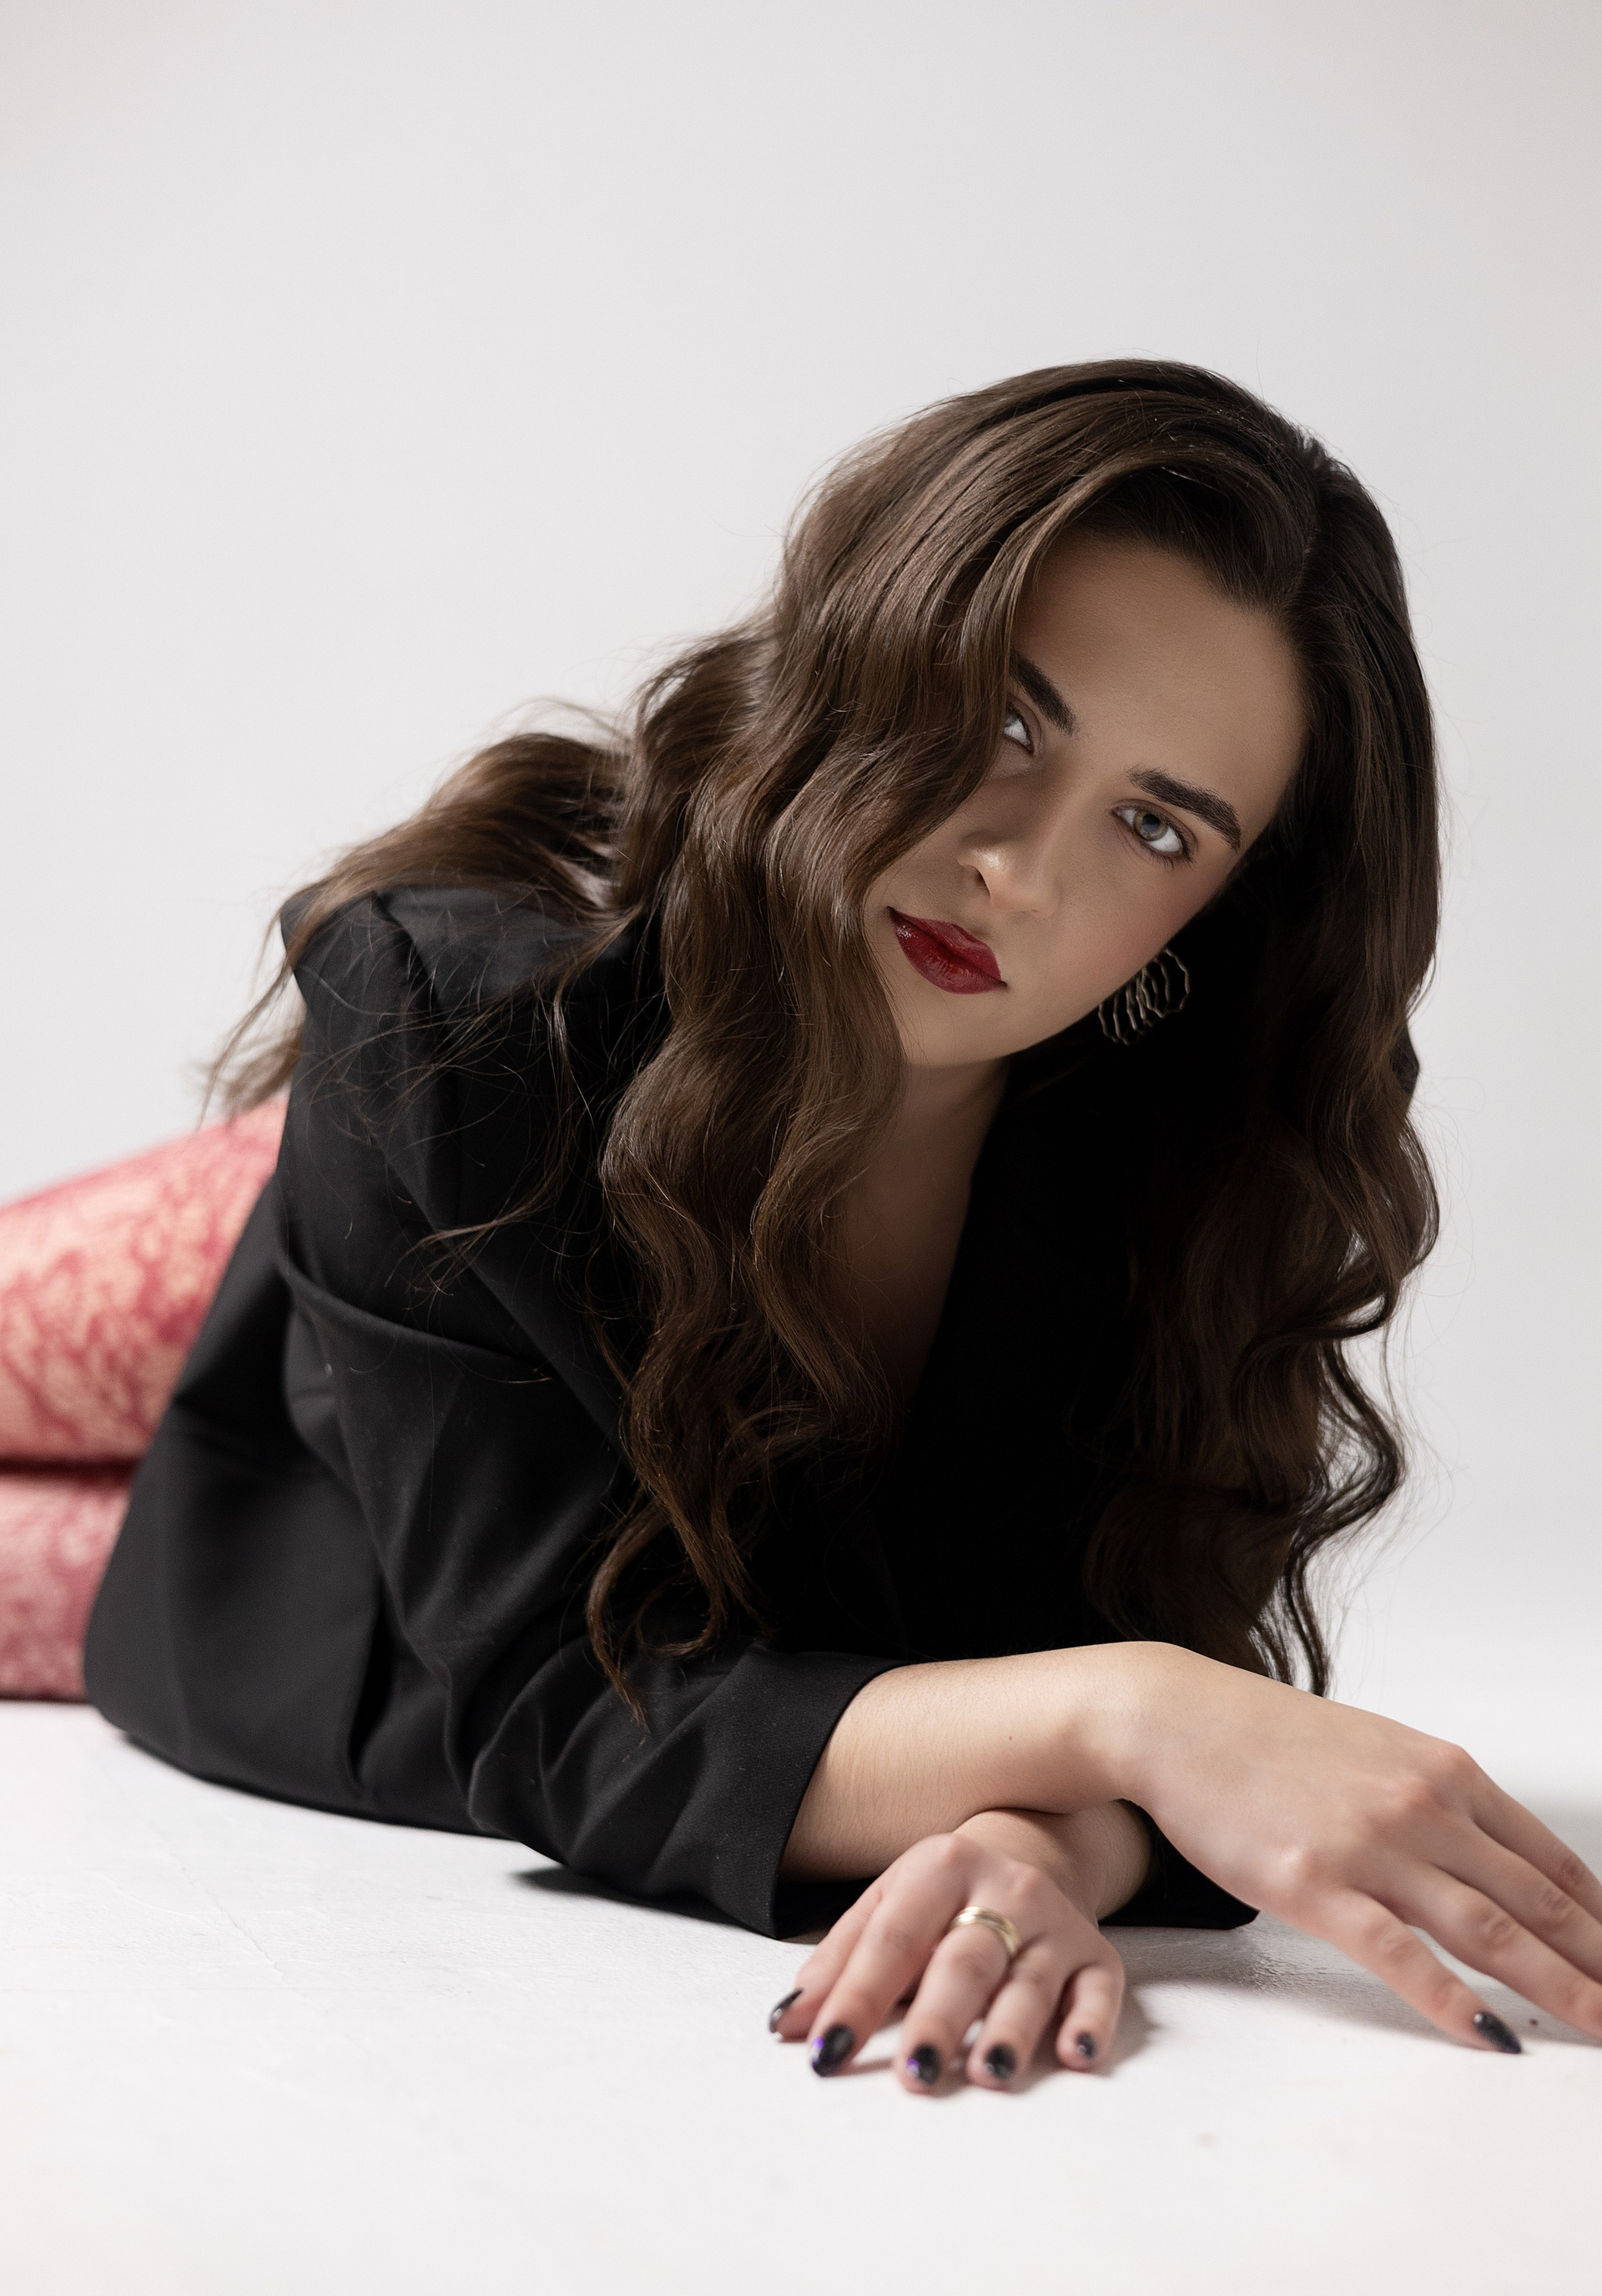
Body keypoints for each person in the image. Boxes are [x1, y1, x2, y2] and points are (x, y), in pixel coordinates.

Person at [85, 361, 1602, 2093]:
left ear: (1223, 908)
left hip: (433, 1278)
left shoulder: (1195, 1149)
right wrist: (1143, 1714)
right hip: (397, 1236)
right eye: (1007, 721)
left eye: (1154, 823)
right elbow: (568, 1706)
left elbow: (1089, 1667)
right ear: (872, 653)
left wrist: (1032, 1846)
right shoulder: (456, 1020)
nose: (1019, 868)